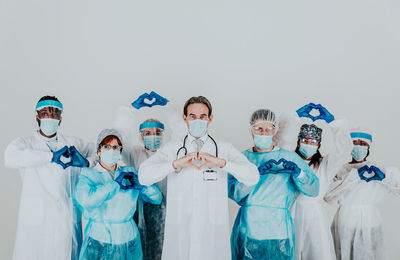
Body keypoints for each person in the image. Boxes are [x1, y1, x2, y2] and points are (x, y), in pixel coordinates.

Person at [138, 96, 259, 260]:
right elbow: (144, 177)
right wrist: (174, 164)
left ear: (210, 118)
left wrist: (221, 162)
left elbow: (252, 176)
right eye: (192, 116)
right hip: (180, 234)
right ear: (185, 118)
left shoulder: (223, 149)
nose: (197, 120)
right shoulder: (173, 149)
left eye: (203, 116)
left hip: (212, 235)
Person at [4, 96, 96, 260]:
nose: (50, 117)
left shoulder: (73, 143)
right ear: (37, 117)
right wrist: (51, 156)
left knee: (66, 252)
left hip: (67, 218)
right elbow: (10, 158)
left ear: (60, 118)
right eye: (45, 113)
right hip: (37, 220)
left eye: (55, 113)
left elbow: (100, 151)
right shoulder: (26, 143)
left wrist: (86, 162)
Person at [229, 109, 319, 260]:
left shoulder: (290, 158)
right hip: (250, 229)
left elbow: (314, 189)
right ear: (251, 130)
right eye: (259, 129)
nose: (264, 133)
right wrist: (254, 175)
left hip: (279, 232)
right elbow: (234, 193)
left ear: (275, 131)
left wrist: (299, 173)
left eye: (268, 129)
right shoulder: (241, 158)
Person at [74, 129, 162, 260]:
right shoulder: (89, 174)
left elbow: (157, 198)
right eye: (107, 146)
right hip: (100, 239)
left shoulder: (129, 172)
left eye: (116, 147)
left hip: (129, 238)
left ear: (120, 152)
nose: (111, 150)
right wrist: (114, 184)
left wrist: (143, 186)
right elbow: (86, 200)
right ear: (99, 150)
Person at [324, 127, 400, 260]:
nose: (358, 147)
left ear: (369, 147)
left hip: (370, 220)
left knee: (373, 253)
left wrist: (385, 178)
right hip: (346, 220)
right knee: (344, 253)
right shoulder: (342, 170)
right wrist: (352, 177)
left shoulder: (378, 169)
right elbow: (328, 196)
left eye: (363, 144)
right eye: (354, 143)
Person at [293, 114, 352, 260]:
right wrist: (294, 116)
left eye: (313, 142)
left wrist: (333, 121)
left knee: (317, 252)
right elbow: (279, 140)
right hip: (290, 212)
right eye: (305, 140)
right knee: (290, 251)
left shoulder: (324, 165)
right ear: (298, 142)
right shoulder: (290, 160)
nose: (308, 144)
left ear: (319, 145)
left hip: (313, 215)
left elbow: (343, 150)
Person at [122, 119, 167, 260]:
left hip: (166, 211)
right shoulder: (135, 154)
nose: (152, 136)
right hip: (139, 210)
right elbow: (120, 136)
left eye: (157, 132)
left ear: (162, 135)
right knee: (141, 248)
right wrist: (130, 111)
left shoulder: (169, 154)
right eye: (147, 133)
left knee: (164, 248)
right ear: (141, 136)